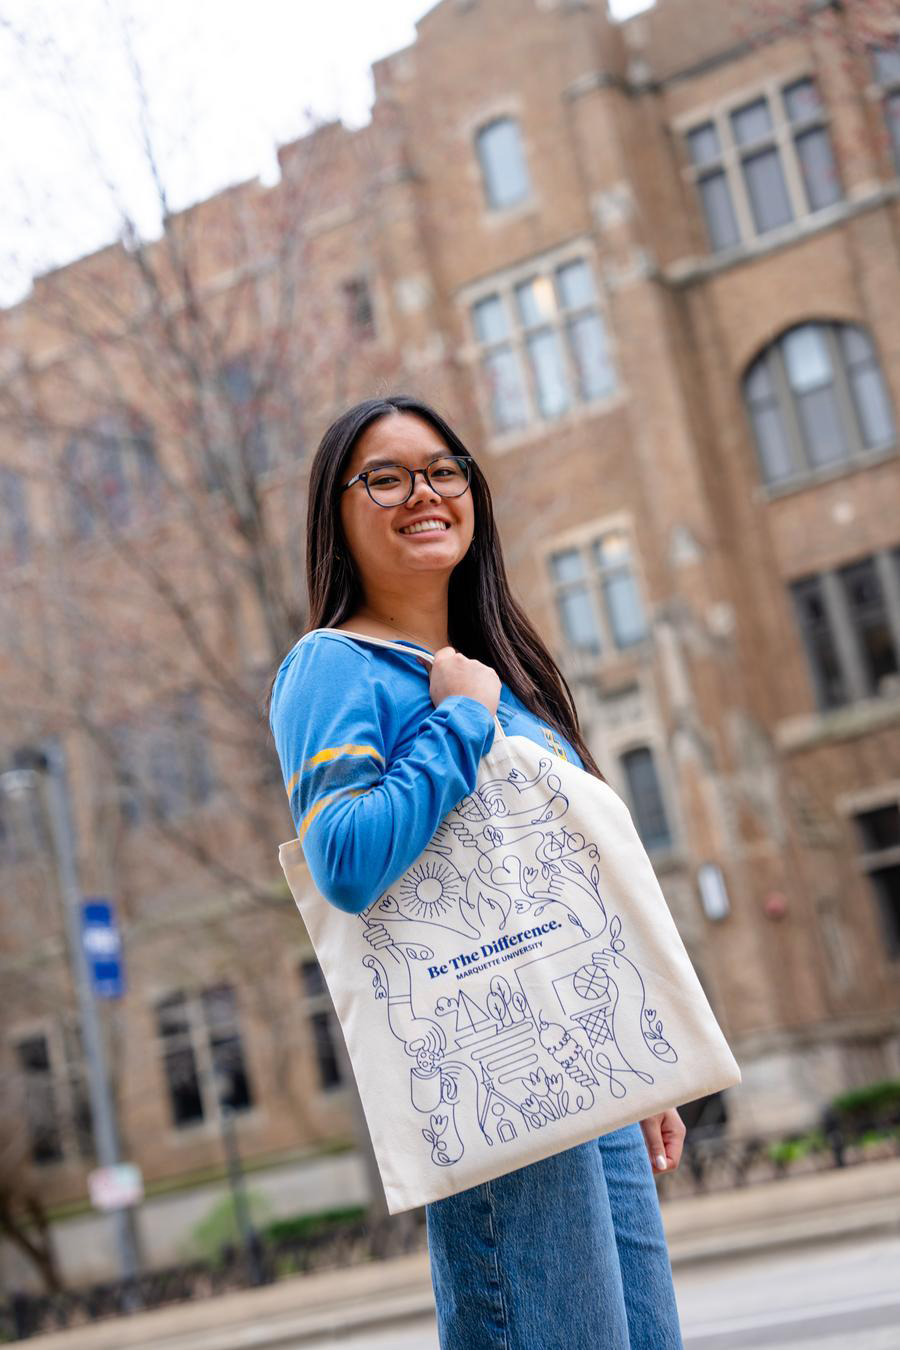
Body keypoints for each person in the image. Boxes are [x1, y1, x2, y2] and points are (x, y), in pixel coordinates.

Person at [268, 394, 685, 1349]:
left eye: (443, 471)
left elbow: (562, 878)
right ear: (336, 513)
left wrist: (644, 1063)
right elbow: (345, 860)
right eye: (386, 478)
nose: (423, 492)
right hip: (489, 1066)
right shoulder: (332, 667)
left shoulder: (500, 670)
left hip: (589, 1072)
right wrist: (457, 719)